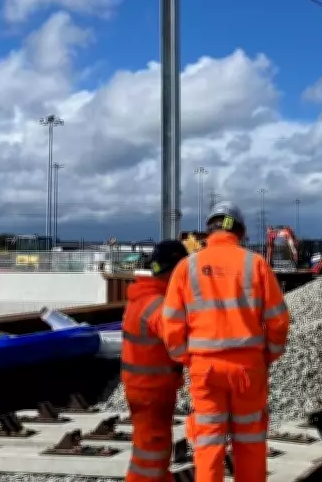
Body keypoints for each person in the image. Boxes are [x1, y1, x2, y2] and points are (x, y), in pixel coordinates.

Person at [161, 201, 290, 482]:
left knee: (208, 443)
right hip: (248, 368)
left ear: (209, 231)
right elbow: (278, 320)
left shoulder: (187, 267)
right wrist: (269, 354)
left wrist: (186, 357)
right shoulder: (255, 264)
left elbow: (170, 323)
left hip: (205, 369)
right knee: (250, 442)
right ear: (241, 232)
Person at [121, 240, 189, 482]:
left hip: (146, 387)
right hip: (151, 389)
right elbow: (177, 336)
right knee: (152, 449)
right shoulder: (157, 304)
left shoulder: (143, 296)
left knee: (150, 446)